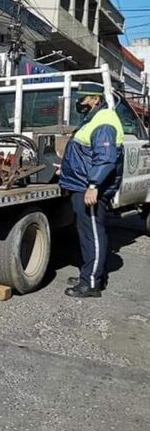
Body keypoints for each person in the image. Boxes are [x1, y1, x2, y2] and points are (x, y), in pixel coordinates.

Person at [59, 82, 124, 298]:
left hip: (91, 187)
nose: (80, 102)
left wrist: (93, 186)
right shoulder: (95, 118)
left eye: (84, 98)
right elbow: (86, 154)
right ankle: (90, 274)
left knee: (93, 234)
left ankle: (92, 284)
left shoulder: (104, 121)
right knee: (87, 233)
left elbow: (105, 159)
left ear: (95, 99)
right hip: (82, 184)